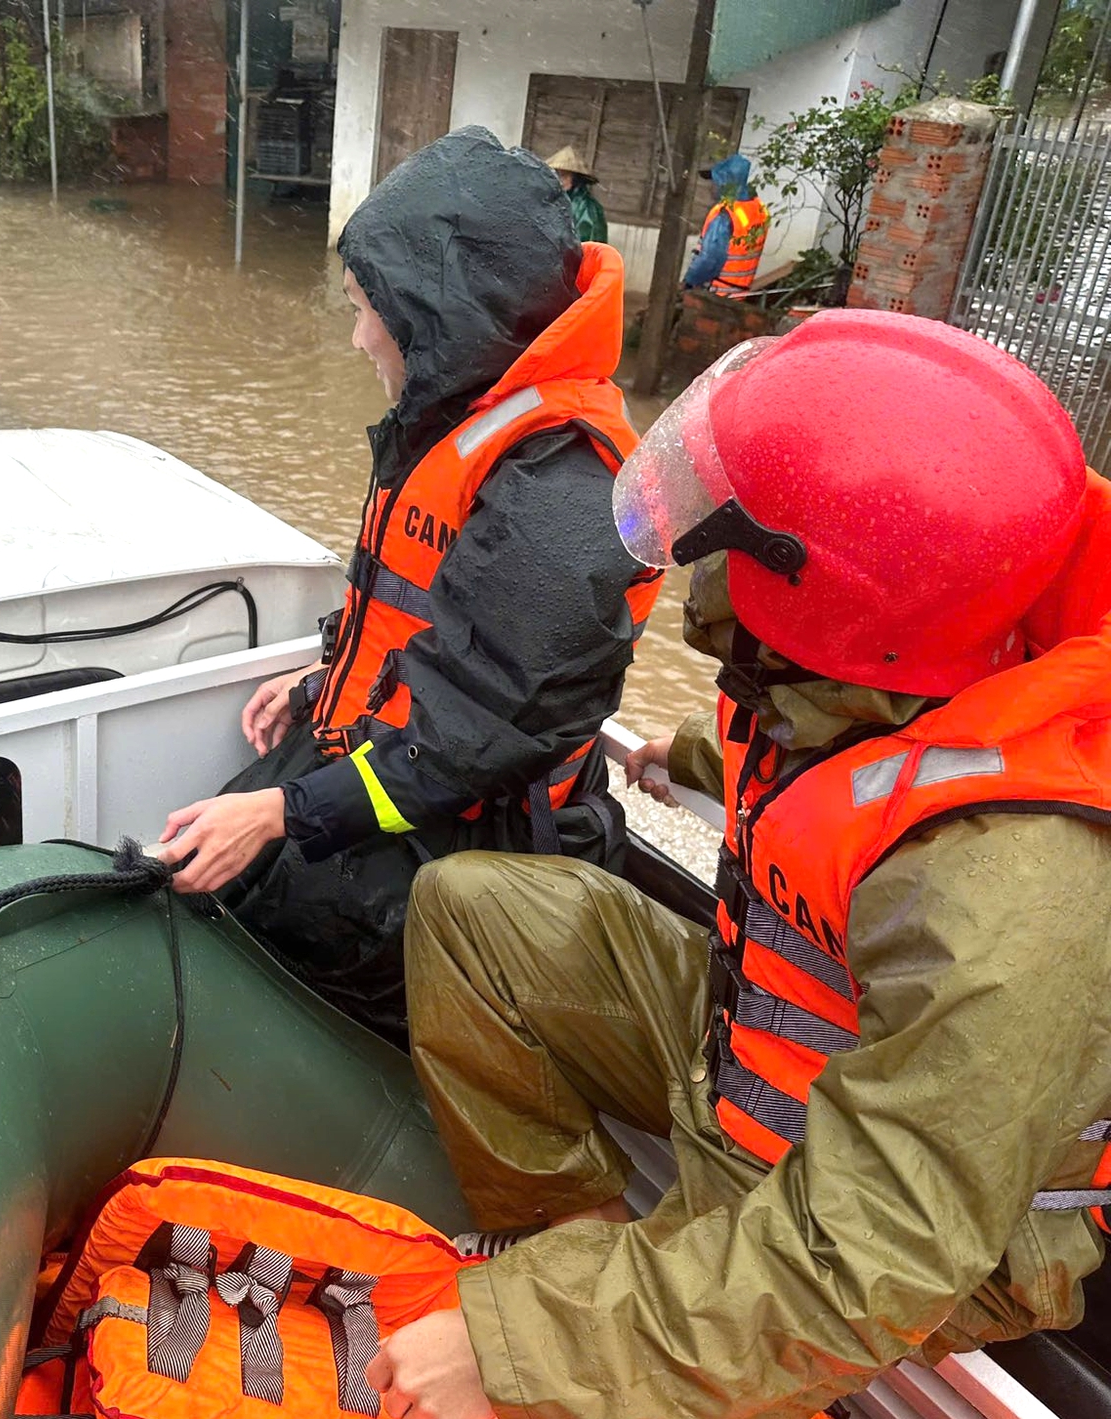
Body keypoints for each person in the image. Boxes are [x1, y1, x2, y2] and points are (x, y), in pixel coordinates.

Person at [371, 309, 1111, 1419]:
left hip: (899, 1220)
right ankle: (583, 1236)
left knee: (566, 1363)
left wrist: (515, 1346)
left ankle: (580, 1328)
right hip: (755, 1055)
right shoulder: (885, 665)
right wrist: (679, 757)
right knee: (476, 910)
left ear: (818, 592)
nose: (694, 552)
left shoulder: (1010, 892)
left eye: (720, 523)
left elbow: (868, 1260)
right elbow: (833, 762)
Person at [154, 128, 660, 1038]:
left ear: (443, 314)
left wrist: (282, 811)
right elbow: (421, 617)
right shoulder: (467, 410)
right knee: (192, 871)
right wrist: (327, 680)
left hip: (471, 832)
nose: (357, 339)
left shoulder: (562, 484)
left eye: (367, 309)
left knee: (254, 937)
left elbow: (476, 736)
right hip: (395, 774)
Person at [683, 152, 768, 296]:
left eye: (714, 182)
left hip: (717, 292)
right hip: (739, 291)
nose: (711, 187)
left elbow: (709, 261)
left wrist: (688, 282)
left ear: (724, 184)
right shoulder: (758, 208)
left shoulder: (724, 217)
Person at [544, 145, 608, 244]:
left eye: (564, 176)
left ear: (575, 178)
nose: (559, 181)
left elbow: (589, 244)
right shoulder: (551, 199)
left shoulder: (588, 208)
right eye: (556, 175)